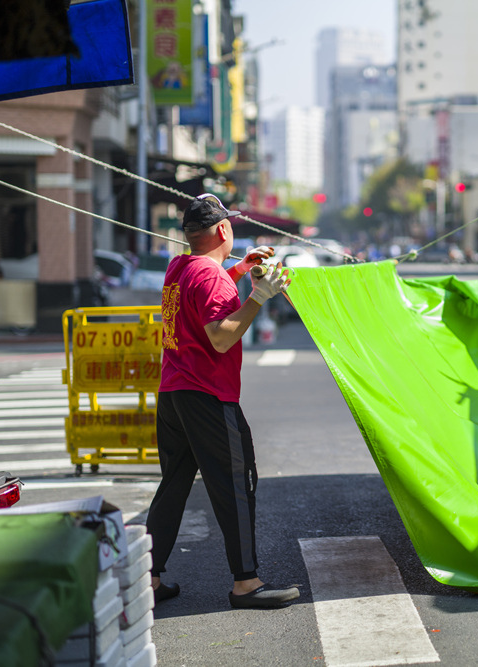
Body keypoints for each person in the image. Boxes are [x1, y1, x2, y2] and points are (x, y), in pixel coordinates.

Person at [146, 193, 299, 608]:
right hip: (208, 396)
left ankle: (148, 580)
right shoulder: (210, 277)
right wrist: (259, 296)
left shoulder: (179, 266)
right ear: (223, 230)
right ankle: (246, 583)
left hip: (173, 394)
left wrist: (242, 268)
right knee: (237, 485)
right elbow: (220, 336)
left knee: (173, 488)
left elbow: (203, 293)